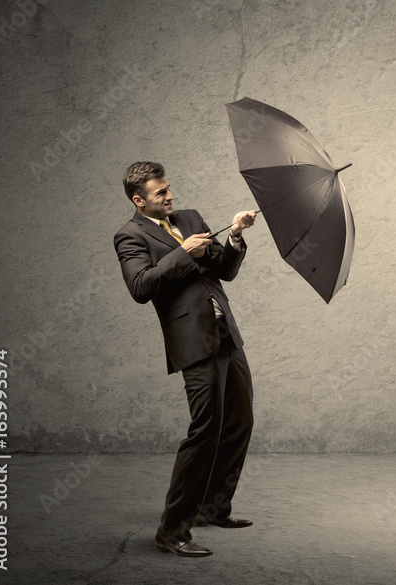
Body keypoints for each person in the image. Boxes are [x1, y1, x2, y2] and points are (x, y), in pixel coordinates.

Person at [113, 161, 258, 557]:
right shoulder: (129, 235)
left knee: (240, 420)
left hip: (225, 331)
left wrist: (236, 236)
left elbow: (223, 271)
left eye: (169, 188)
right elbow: (141, 287)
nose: (170, 196)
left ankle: (213, 509)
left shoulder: (190, 218)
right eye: (160, 193)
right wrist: (182, 251)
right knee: (204, 432)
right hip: (192, 340)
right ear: (139, 200)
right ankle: (172, 531)